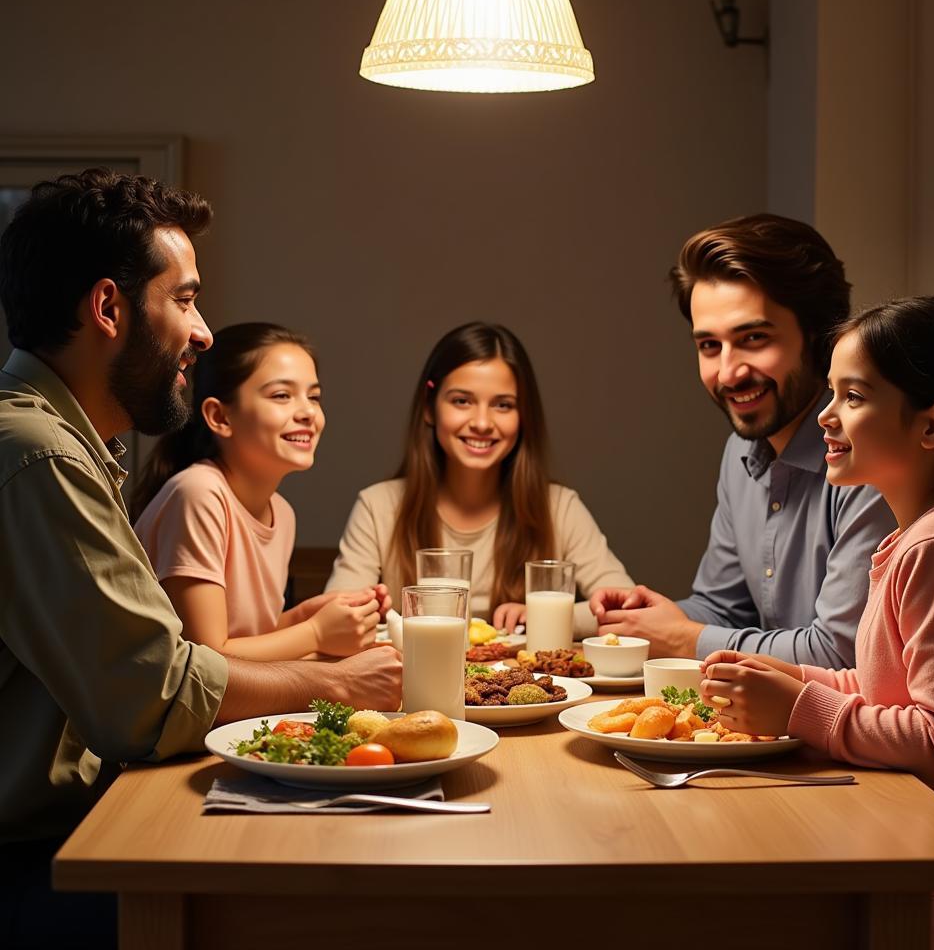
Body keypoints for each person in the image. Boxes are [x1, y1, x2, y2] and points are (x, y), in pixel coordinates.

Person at [0, 170, 400, 945]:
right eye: (183, 299)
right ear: (109, 307)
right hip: (33, 860)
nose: (204, 330)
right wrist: (334, 681)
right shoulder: (38, 455)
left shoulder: (68, 447)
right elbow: (153, 695)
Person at [700, 297, 934, 948]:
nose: (825, 416)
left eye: (852, 396)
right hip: (918, 859)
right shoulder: (916, 540)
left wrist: (800, 709)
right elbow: (888, 690)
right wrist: (791, 677)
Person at [590, 214, 896, 667]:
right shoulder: (741, 452)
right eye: (709, 346)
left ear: (819, 338)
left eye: (753, 338)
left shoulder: (869, 454)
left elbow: (840, 652)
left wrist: (683, 639)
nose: (728, 373)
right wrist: (653, 618)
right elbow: (722, 610)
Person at [326, 321, 633, 636]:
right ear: (430, 408)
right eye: (462, 401)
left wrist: (545, 615)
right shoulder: (378, 507)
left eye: (503, 405)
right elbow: (334, 617)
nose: (483, 423)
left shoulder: (559, 507)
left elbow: (626, 607)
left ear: (523, 416)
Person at [133, 322, 387, 660]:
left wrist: (308, 616)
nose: (308, 412)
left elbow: (248, 640)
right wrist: (315, 632)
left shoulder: (281, 512)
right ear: (219, 416)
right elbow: (207, 658)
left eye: (314, 397)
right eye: (282, 395)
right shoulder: (199, 494)